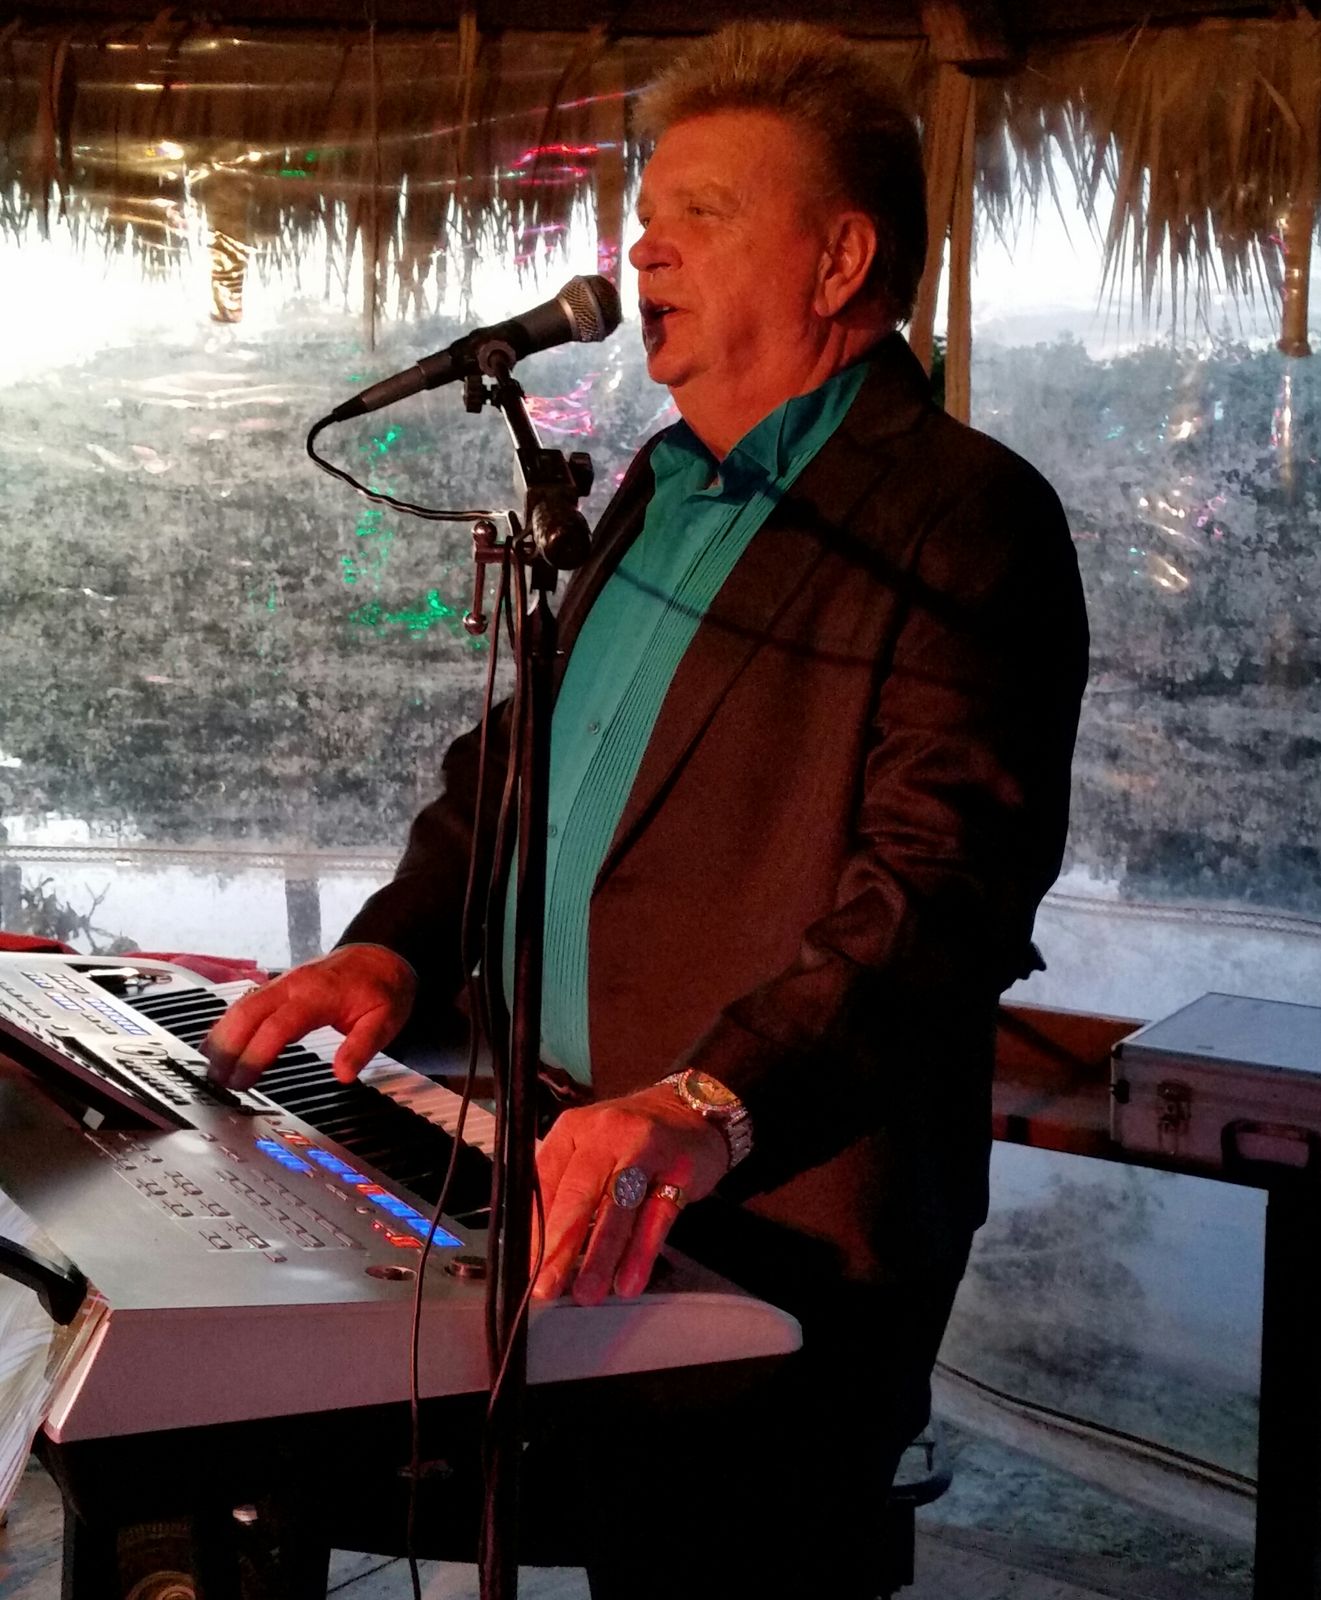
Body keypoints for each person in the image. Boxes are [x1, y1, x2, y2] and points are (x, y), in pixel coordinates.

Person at [205, 21, 1088, 1598]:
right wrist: (395, 947)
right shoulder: (660, 483)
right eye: (644, 213)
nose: (643, 250)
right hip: (554, 1152)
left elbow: (941, 890)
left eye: (701, 214)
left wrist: (708, 1101)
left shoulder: (964, 514)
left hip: (777, 1210)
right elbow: (517, 760)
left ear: (839, 262)